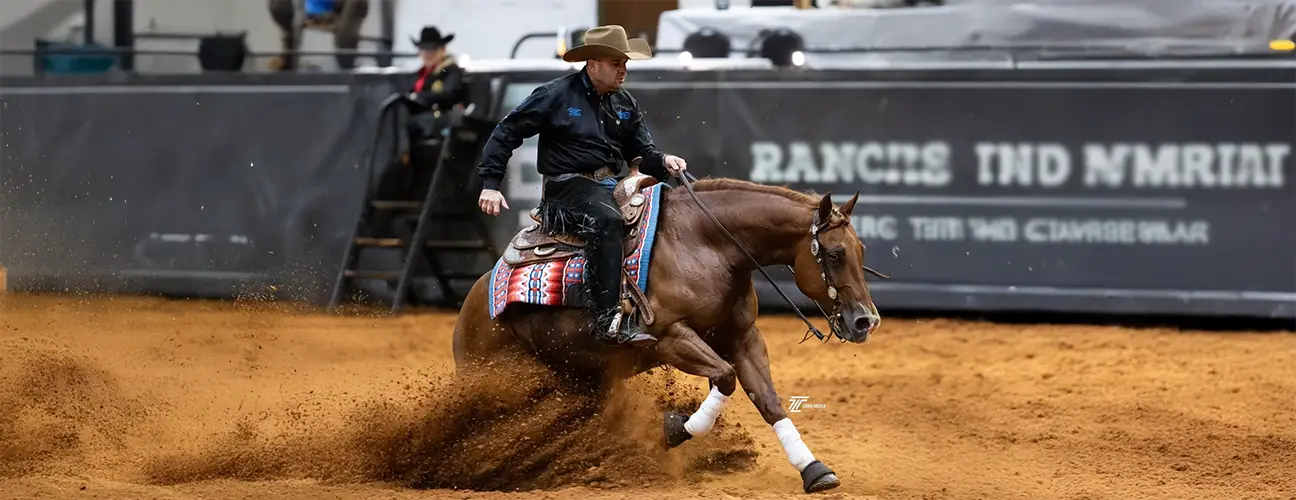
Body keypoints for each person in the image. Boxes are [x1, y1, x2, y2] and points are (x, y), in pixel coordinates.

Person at [475, 25, 689, 346]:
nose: (623, 69)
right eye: (616, 63)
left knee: (664, 215)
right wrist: (490, 183)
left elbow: (643, 153)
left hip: (612, 186)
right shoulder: (556, 95)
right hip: (567, 188)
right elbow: (507, 131)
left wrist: (664, 160)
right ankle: (607, 320)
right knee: (607, 220)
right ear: (592, 65)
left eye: (625, 63)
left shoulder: (624, 103)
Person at [267, 0, 369, 71]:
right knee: (279, 6)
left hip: (341, 11)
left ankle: (347, 66)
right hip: (312, 12)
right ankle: (288, 62)